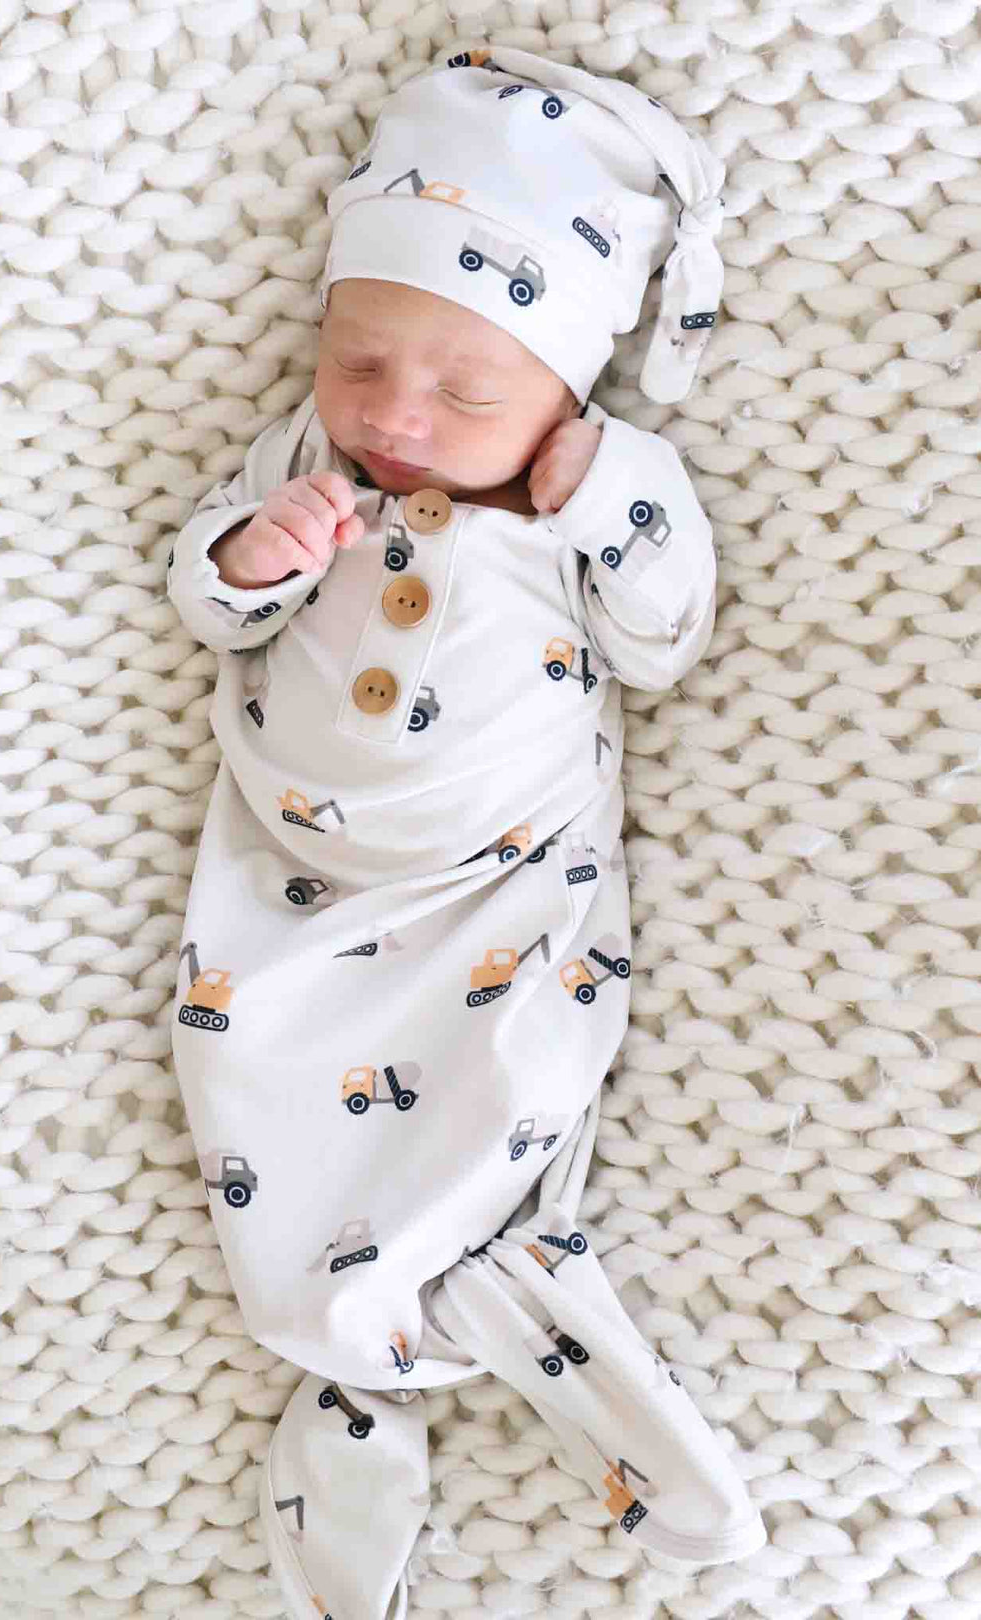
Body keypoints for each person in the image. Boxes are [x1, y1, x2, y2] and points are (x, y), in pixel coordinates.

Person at [166, 45, 764, 1620]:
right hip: (290, 894)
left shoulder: (588, 492)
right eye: (358, 364)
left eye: (465, 391)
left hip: (497, 889)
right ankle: (368, 1352)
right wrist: (255, 548)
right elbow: (206, 601)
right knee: (250, 1100)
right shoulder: (311, 468)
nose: (398, 419)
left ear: (563, 385)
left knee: (498, 1106)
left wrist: (604, 489)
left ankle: (450, 1328)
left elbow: (668, 632)